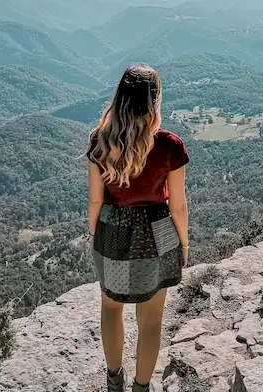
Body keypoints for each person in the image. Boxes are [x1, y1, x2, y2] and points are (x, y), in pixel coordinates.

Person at [86, 64, 190, 392]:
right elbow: (178, 205)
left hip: (113, 233)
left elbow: (94, 201)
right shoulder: (169, 145)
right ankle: (141, 387)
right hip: (157, 234)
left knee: (111, 307)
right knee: (150, 321)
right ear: (155, 101)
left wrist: (94, 236)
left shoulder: (100, 140)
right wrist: (183, 243)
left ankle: (113, 380)